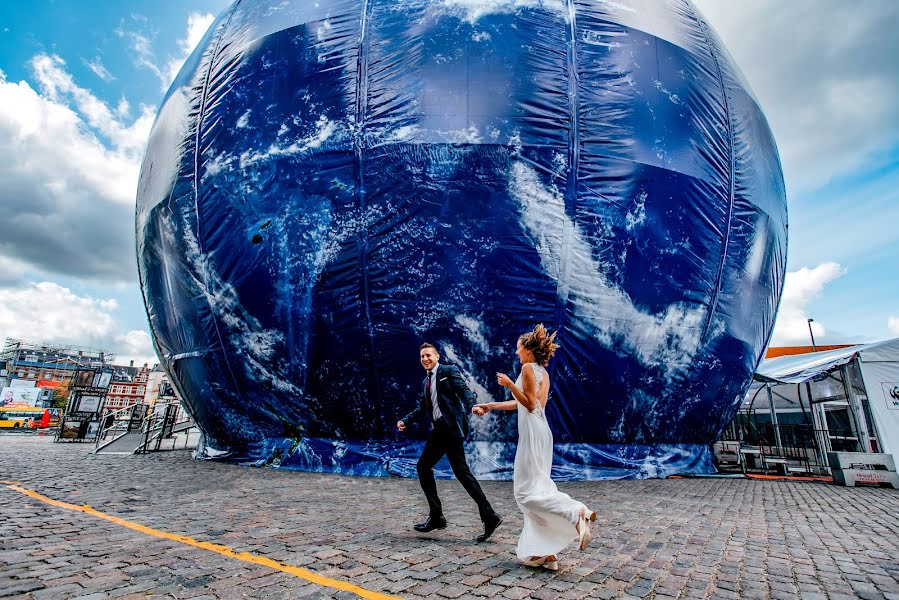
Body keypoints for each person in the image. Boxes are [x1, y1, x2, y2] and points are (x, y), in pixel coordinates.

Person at [473, 324, 596, 570]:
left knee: (526, 494)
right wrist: (490, 405)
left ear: (528, 349)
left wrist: (510, 384)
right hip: (541, 431)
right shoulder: (544, 373)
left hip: (532, 433)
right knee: (537, 489)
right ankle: (546, 553)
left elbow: (528, 404)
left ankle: (575, 512)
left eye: (518, 349)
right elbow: (525, 404)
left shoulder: (527, 368)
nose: (516, 353)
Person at [397, 342, 503, 542]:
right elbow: (422, 407)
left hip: (452, 429)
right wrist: (405, 420)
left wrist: (473, 407)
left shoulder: (448, 371)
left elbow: (464, 391)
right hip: (440, 430)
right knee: (430, 468)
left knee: (453, 471)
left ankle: (482, 516)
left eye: (428, 355)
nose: (425, 359)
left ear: (437, 357)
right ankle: (444, 516)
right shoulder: (425, 382)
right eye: (422, 357)